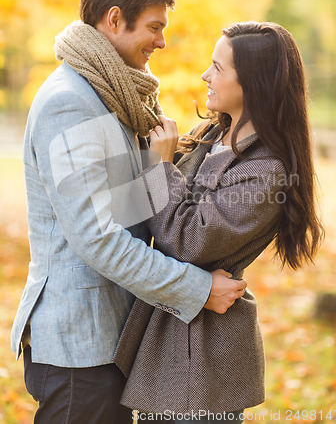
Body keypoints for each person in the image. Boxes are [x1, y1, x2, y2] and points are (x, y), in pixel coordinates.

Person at [10, 0, 247, 424]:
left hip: (112, 341)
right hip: (81, 349)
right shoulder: (69, 102)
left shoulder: (112, 96)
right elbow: (97, 237)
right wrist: (198, 289)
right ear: (114, 19)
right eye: (154, 27)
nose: (162, 41)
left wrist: (161, 167)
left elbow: (127, 212)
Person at [113, 21, 324, 423]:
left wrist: (160, 165)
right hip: (170, 339)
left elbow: (189, 240)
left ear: (253, 83)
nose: (205, 75)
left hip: (204, 357)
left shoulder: (267, 170)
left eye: (218, 67)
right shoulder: (211, 134)